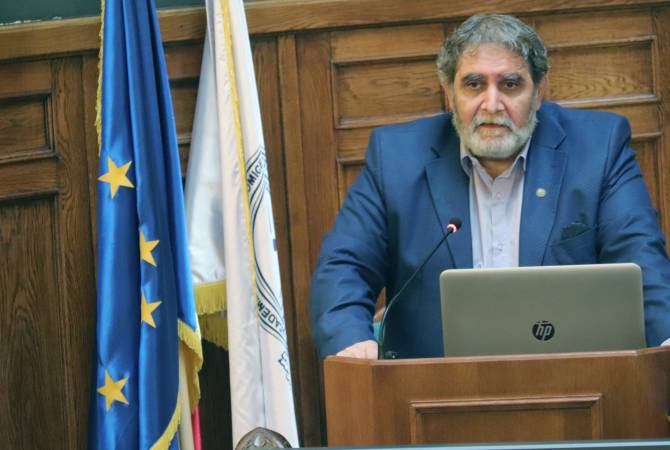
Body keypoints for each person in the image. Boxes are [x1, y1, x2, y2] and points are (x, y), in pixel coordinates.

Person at [309, 14, 670, 360]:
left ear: (539, 91)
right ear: (449, 92)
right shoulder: (396, 158)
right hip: (433, 390)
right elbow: (345, 266)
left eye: (510, 84)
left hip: (573, 384)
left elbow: (641, 258)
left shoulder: (598, 148)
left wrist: (666, 336)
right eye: (474, 84)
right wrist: (350, 341)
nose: (492, 104)